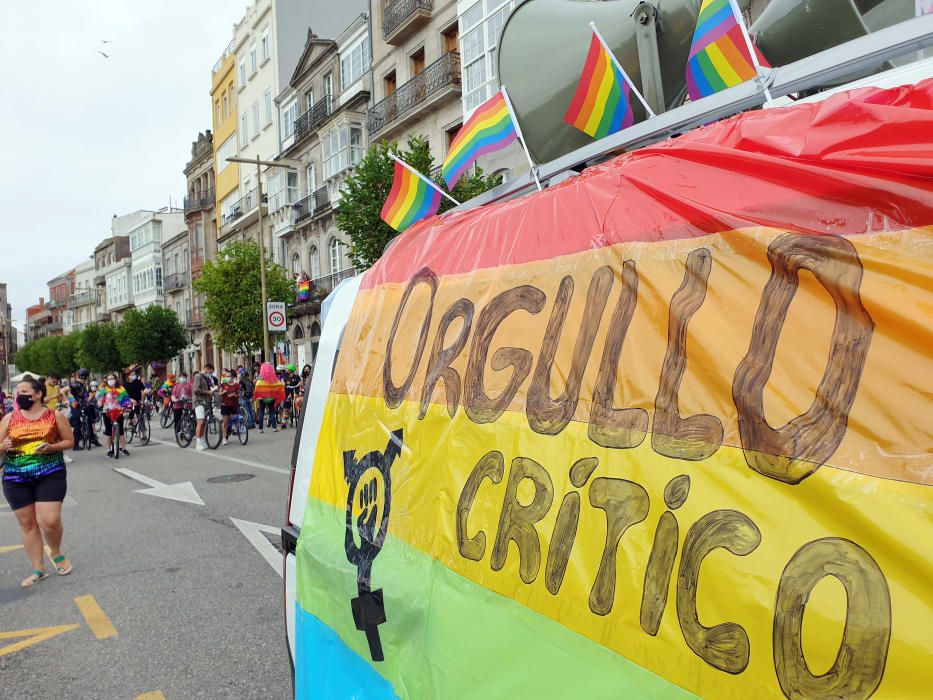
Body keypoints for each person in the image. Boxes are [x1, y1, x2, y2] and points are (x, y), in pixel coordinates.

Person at [1, 376, 75, 587]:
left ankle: (56, 552)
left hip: (49, 473)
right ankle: (38, 568)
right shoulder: (9, 418)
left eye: (24, 392)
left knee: (49, 520)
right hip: (15, 478)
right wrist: (4, 445)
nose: (19, 395)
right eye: (18, 392)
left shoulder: (55, 415)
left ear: (38, 394)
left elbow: (69, 441)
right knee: (27, 524)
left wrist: (51, 447)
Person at [97, 374, 131, 457]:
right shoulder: (104, 389)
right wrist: (100, 406)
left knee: (121, 431)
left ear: (116, 379)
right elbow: (99, 399)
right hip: (107, 412)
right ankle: (109, 449)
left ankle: (123, 448)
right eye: (108, 379)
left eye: (112, 378)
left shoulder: (121, 389)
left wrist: (128, 406)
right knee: (108, 431)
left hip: (118, 411)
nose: (110, 380)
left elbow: (126, 399)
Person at [66, 369, 101, 448]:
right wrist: (70, 400)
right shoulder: (74, 384)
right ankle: (76, 444)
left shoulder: (83, 384)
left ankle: (92, 438)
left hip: (83, 404)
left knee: (89, 420)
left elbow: (86, 394)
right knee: (77, 424)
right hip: (76, 405)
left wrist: (88, 399)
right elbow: (64, 391)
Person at [253, 362, 285, 433]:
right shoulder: (273, 378)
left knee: (261, 412)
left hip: (262, 398)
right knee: (271, 411)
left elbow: (257, 387)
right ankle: (274, 427)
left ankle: (260, 429)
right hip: (271, 397)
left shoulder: (260, 378)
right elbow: (280, 385)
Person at [192, 363, 215, 451]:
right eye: (210, 372)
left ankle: (201, 440)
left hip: (205, 402)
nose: (211, 374)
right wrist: (207, 392)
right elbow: (196, 390)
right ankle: (198, 443)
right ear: (206, 369)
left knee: (204, 422)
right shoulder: (198, 376)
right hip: (199, 401)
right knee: (200, 421)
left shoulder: (206, 378)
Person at [218, 370, 241, 445]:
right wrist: (223, 392)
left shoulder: (237, 385)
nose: (227, 377)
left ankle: (239, 436)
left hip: (234, 405)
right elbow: (219, 393)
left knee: (236, 421)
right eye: (226, 376)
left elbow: (239, 394)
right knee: (225, 423)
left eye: (229, 376)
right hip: (225, 405)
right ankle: (224, 438)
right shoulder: (223, 384)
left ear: (233, 377)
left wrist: (235, 395)